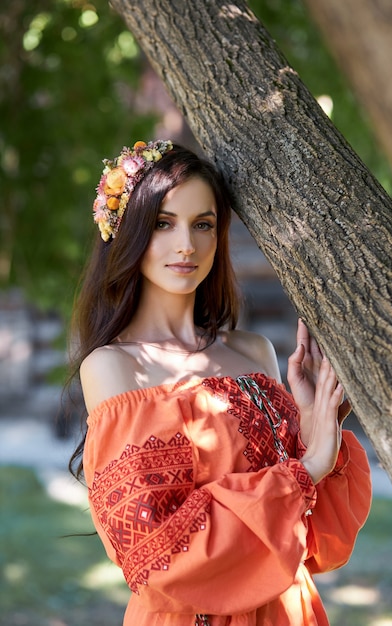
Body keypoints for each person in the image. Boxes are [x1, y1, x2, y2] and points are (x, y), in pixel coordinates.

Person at [69, 139, 372, 626]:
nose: (186, 244)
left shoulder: (254, 353)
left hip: (289, 609)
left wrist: (318, 429)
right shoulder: (114, 368)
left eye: (202, 224)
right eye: (163, 224)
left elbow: (313, 540)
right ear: (128, 233)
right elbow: (153, 552)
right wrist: (307, 469)